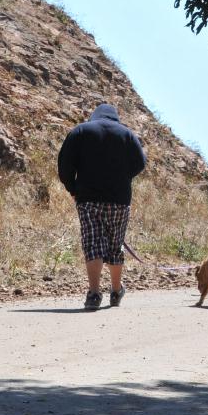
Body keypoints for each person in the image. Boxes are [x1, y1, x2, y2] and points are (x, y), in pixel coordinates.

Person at [57, 103, 147, 310]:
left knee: (93, 244)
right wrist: (123, 177)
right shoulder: (127, 134)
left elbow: (64, 165)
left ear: (94, 116)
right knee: (115, 246)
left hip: (88, 198)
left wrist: (73, 188)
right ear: (115, 117)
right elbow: (140, 163)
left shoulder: (80, 131)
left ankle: (94, 294)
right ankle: (116, 292)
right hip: (119, 200)